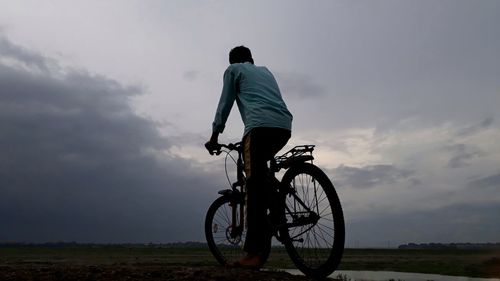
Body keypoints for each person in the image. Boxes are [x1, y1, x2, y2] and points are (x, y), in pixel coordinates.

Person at [205, 46, 293, 268]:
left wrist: (215, 135)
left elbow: (225, 103)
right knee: (261, 174)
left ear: (233, 61)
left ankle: (253, 254)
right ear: (251, 59)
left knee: (253, 187)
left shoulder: (233, 70)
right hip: (283, 126)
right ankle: (276, 209)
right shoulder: (265, 71)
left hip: (258, 127)